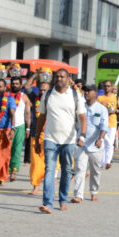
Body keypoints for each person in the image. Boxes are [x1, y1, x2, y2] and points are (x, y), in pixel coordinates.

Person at [36, 68, 86, 214]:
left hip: (69, 140)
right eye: (56, 76)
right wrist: (37, 134)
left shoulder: (75, 95)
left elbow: (82, 117)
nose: (59, 79)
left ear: (68, 78)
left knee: (66, 171)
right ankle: (47, 204)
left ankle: (63, 199)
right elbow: (41, 117)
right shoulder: (48, 94)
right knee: (50, 170)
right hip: (50, 138)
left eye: (62, 76)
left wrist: (82, 135)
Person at [72, 84, 107, 203]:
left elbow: (104, 127)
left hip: (95, 145)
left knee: (95, 170)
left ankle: (94, 191)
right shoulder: (80, 107)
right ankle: (78, 195)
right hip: (81, 144)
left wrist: (100, 139)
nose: (86, 93)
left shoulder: (102, 109)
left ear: (95, 93)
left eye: (89, 91)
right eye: (85, 91)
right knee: (80, 169)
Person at [28, 72, 51, 196]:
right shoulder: (33, 97)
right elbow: (26, 86)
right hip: (35, 133)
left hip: (50, 135)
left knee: (49, 163)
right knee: (36, 162)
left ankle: (47, 186)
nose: (42, 92)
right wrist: (35, 75)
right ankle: (35, 185)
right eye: (41, 90)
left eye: (45, 90)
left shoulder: (53, 99)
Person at [8, 75, 30, 180]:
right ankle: (5, 170)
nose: (15, 85)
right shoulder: (6, 95)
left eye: (17, 84)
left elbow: (27, 113)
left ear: (20, 85)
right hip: (7, 126)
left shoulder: (24, 96)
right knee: (7, 149)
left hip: (20, 126)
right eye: (13, 83)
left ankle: (13, 171)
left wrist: (28, 128)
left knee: (17, 149)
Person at [97, 81, 119, 169]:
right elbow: (97, 111)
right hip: (102, 123)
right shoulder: (100, 98)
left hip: (112, 122)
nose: (107, 88)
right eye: (105, 86)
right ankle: (102, 162)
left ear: (111, 87)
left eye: (108, 86)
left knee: (110, 143)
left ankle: (108, 162)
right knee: (102, 143)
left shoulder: (115, 97)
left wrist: (115, 111)